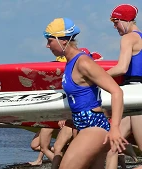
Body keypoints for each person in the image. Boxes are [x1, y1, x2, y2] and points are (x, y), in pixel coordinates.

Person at [43, 17, 127, 169]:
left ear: (63, 40)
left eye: (50, 41)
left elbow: (117, 92)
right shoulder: (70, 62)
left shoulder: (83, 62)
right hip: (83, 125)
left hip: (94, 126)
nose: (47, 45)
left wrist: (115, 128)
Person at [105, 3, 142, 168]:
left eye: (116, 22)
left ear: (126, 20)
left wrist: (96, 76)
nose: (114, 26)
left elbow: (122, 67)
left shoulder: (128, 38)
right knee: (113, 145)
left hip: (134, 97)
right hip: (135, 95)